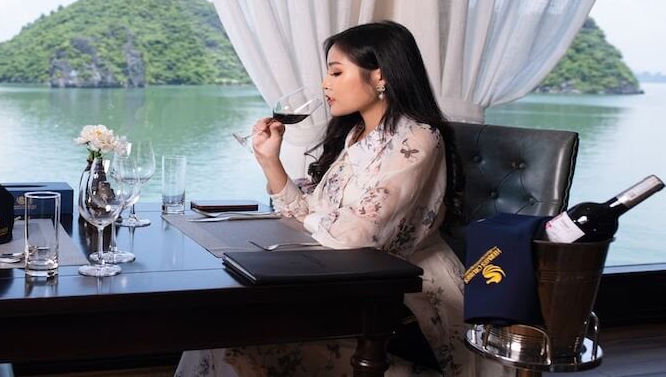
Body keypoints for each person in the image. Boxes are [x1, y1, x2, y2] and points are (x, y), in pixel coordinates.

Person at [175, 21, 509, 376]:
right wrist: (269, 160)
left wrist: (314, 220)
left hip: (403, 299)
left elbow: (358, 235)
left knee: (235, 337)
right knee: (217, 325)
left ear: (380, 76)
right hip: (347, 281)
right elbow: (308, 213)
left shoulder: (417, 138)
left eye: (336, 72)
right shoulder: (355, 137)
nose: (325, 84)